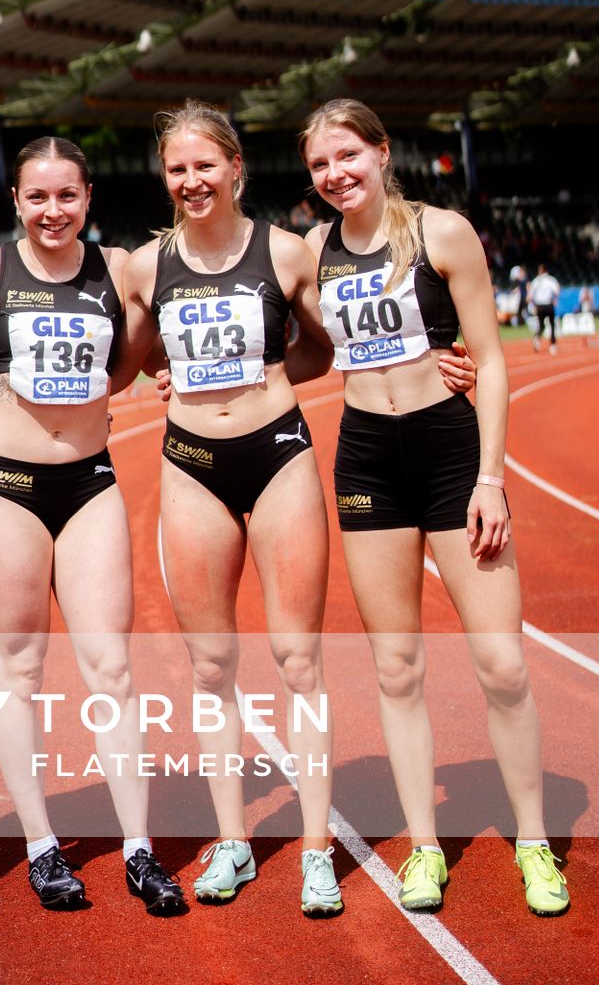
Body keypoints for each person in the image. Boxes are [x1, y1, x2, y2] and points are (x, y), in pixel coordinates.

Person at [124, 102, 476, 918]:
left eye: (204, 166)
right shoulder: (146, 266)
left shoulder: (287, 254)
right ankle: (234, 844)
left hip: (278, 455)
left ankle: (316, 850)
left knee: (298, 660)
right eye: (177, 169)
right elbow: (126, 358)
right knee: (211, 666)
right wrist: (154, 378)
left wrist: (438, 357)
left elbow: (335, 343)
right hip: (190, 468)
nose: (191, 181)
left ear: (235, 167)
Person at [299, 97, 568, 919]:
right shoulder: (313, 249)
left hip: (453, 457)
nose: (336, 174)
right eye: (319, 165)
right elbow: (290, 345)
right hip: (368, 459)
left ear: (382, 153)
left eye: (349, 156)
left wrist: (491, 478)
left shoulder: (441, 233)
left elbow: (488, 361)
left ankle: (534, 843)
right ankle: (424, 846)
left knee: (503, 665)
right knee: (396, 667)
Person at [0, 137, 187, 916]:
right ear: (16, 202)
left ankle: (137, 850)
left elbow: (142, 349)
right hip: (6, 488)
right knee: (20, 675)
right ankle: (41, 846)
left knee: (112, 672)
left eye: (67, 196)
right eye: (37, 197)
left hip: (89, 482)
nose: (52, 211)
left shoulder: (119, 267)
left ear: (88, 198)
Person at [527, 264, 561, 354]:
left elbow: (530, 296)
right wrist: (554, 299)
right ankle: (552, 345)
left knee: (541, 325)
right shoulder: (551, 280)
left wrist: (533, 305)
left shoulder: (535, 281)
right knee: (552, 325)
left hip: (539, 306)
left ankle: (537, 339)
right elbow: (557, 291)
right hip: (548, 305)